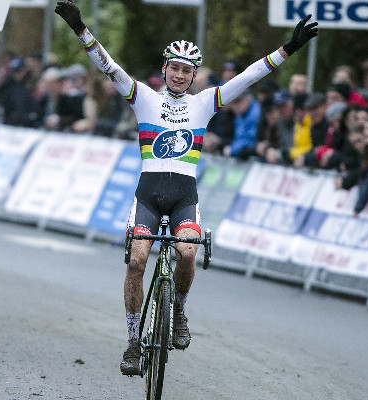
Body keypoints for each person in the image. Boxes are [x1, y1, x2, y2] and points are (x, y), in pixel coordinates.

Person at [54, 0, 318, 375]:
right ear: (164, 69)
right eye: (174, 68)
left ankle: (177, 310)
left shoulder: (204, 103)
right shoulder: (143, 96)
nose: (179, 75)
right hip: (148, 194)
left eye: (186, 70)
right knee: (136, 261)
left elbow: (248, 77)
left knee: (188, 254)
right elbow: (109, 67)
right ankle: (132, 343)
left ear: (194, 75)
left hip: (184, 197)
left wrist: (288, 49)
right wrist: (80, 30)